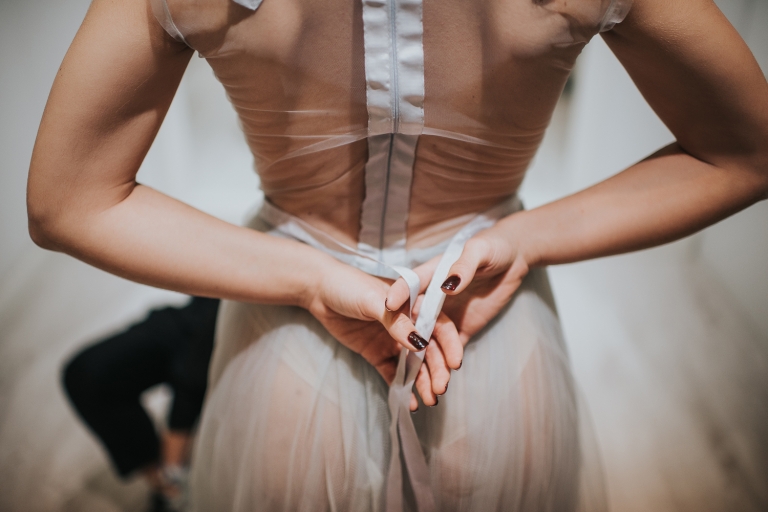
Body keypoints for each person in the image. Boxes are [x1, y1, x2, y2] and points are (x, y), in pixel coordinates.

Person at [26, 0, 768, 509]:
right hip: (488, 349)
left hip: (283, 362)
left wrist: (311, 279)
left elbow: (67, 202)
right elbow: (746, 153)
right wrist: (517, 240)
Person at [62, 297, 219, 512]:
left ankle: (174, 476)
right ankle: (166, 485)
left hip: (226, 323)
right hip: (198, 309)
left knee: (193, 370)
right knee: (86, 376)